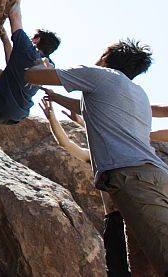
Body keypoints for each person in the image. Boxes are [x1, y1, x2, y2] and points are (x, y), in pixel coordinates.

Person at [25, 40, 168, 273]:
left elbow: (33, 75)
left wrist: (32, 54)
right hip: (154, 177)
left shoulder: (100, 75)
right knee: (144, 267)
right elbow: (83, 105)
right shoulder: (135, 93)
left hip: (133, 180)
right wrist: (53, 97)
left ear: (106, 57)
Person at [40, 97, 130, 276]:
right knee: (116, 270)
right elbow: (67, 144)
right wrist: (52, 119)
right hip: (114, 221)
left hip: (132, 219)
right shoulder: (99, 157)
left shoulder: (131, 156)